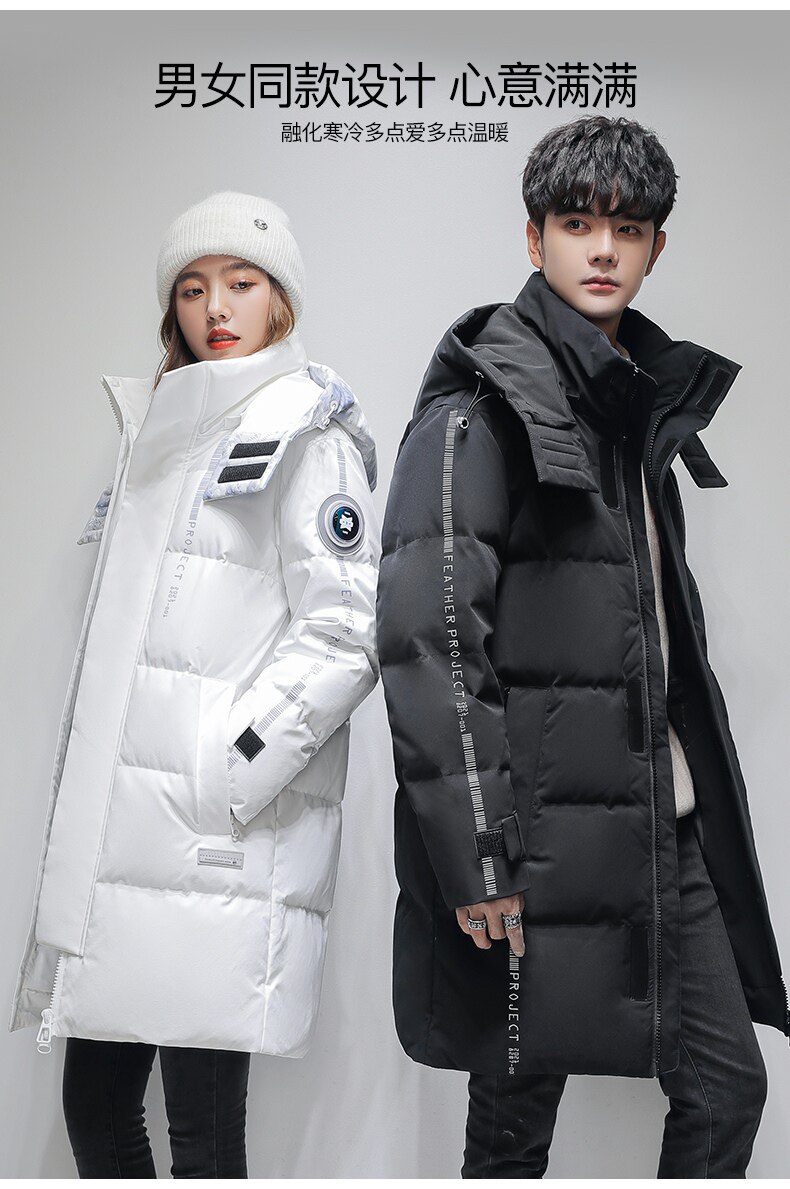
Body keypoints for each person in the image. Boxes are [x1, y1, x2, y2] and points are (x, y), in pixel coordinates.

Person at [376, 116, 790, 1177]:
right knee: (513, 1125)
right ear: (534, 239)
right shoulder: (478, 412)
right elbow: (430, 641)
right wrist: (480, 854)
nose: (602, 249)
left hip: (658, 827)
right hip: (532, 844)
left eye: (628, 229)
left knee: (725, 1087)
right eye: (576, 224)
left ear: (655, 248)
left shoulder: (629, 412)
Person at [8, 190, 380, 1177]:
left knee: (204, 1136)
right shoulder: (161, 436)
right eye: (192, 287)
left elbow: (347, 630)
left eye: (241, 283)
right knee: (96, 1112)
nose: (216, 306)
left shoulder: (308, 433)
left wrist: (232, 762)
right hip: (127, 845)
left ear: (279, 297)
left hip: (214, 842)